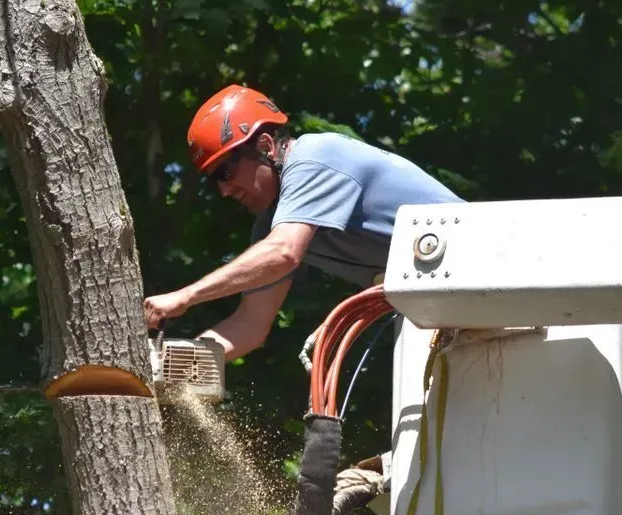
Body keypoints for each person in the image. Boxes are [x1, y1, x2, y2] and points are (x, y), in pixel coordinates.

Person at [142, 84, 463, 359]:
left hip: (486, 269)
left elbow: (284, 253)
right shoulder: (274, 225)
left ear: (265, 146)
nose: (224, 190)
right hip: (446, 306)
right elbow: (250, 325)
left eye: (226, 172)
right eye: (214, 181)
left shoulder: (315, 157)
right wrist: (167, 364)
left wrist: (185, 296)